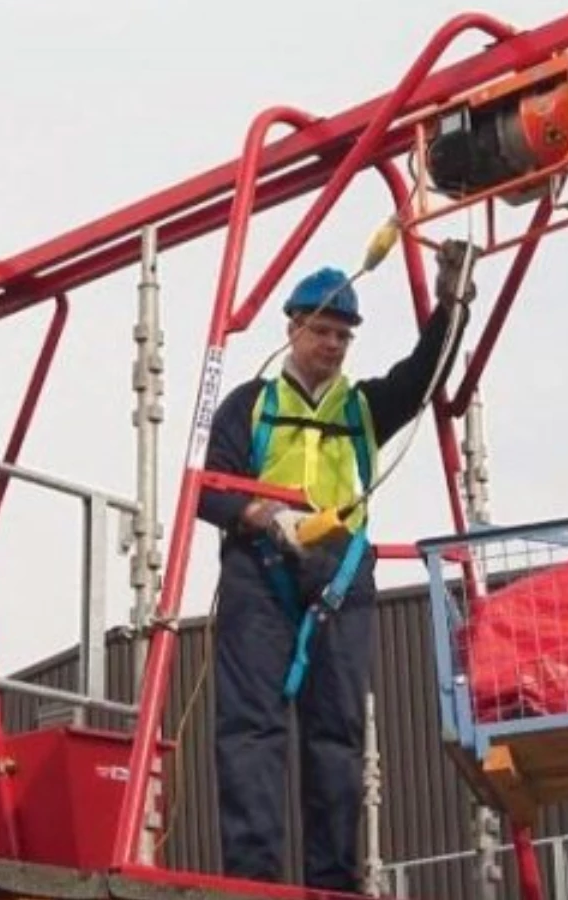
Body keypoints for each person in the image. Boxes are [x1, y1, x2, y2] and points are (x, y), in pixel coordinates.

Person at [196, 239, 477, 893]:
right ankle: (254, 882)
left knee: (337, 735)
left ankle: (332, 884)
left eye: (343, 336)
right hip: (260, 572)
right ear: (293, 327)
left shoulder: (363, 408)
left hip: (340, 576)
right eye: (321, 330)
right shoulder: (249, 405)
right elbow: (207, 488)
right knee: (250, 728)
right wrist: (260, 515)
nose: (331, 344)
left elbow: (425, 373)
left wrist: (452, 302)